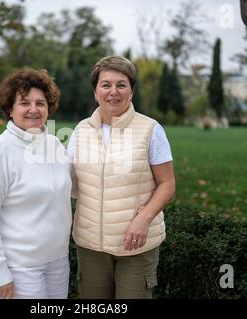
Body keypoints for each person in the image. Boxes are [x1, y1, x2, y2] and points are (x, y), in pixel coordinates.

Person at [67, 56, 176, 299]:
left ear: (131, 91)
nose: (113, 92)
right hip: (90, 244)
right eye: (105, 85)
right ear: (96, 92)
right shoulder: (80, 131)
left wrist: (144, 219)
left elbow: (167, 184)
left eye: (121, 85)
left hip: (136, 243)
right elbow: (65, 182)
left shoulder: (150, 130)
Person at [0, 68, 72, 299]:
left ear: (49, 108)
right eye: (25, 103)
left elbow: (69, 189)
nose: (33, 109)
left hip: (58, 263)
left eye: (40, 103)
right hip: (20, 268)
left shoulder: (55, 145)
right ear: (10, 108)